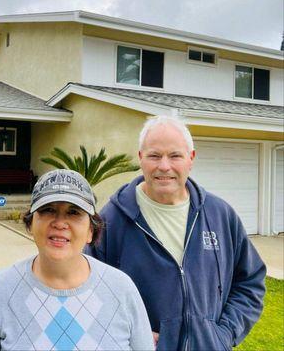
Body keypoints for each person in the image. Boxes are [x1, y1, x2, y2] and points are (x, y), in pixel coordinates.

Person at [87, 115, 266, 350]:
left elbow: (250, 281)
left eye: (174, 155)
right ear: (141, 158)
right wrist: (128, 332)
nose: (164, 166)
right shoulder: (112, 220)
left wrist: (223, 335)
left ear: (190, 159)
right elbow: (88, 290)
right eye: (154, 155)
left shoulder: (219, 214)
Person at [0, 169, 154, 351]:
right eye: (48, 210)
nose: (60, 223)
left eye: (74, 212)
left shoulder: (121, 289)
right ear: (30, 224)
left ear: (91, 231)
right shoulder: (3, 288)